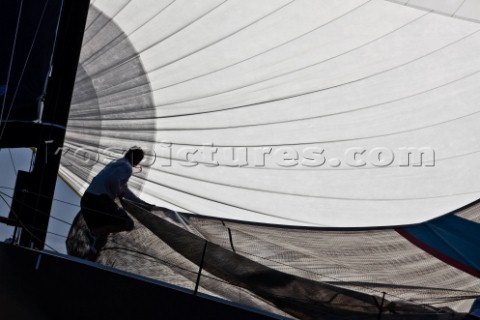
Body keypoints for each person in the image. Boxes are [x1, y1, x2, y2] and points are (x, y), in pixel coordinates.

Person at [80, 146, 154, 258]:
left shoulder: (117, 164)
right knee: (127, 223)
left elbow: (126, 192)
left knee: (104, 234)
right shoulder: (127, 167)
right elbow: (113, 180)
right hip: (98, 201)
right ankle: (93, 233)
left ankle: (93, 251)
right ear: (137, 161)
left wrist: (143, 205)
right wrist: (119, 194)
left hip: (87, 201)